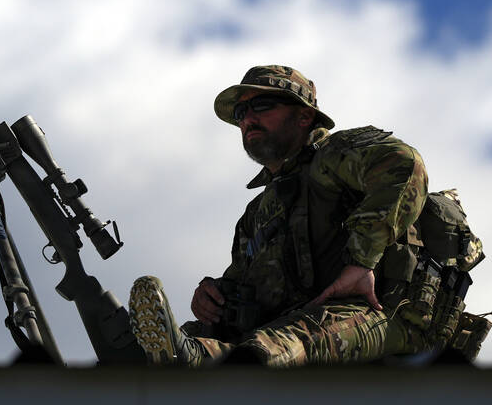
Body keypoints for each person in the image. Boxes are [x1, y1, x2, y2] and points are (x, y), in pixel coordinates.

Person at [129, 64, 432, 367]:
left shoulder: (332, 158)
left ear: (303, 116)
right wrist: (213, 295)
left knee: (277, 347)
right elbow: (248, 282)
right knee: (198, 336)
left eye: (261, 105)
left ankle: (196, 362)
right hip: (293, 324)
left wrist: (360, 262)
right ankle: (164, 359)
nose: (248, 119)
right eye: (240, 113)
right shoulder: (256, 215)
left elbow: (405, 164)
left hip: (378, 315)